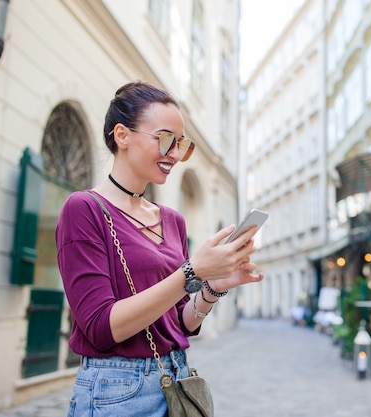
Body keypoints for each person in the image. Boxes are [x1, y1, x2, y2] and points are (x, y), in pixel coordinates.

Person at [56, 81, 264, 416]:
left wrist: (212, 287)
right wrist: (192, 272)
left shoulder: (172, 221)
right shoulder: (84, 209)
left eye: (181, 144)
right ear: (122, 135)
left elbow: (179, 324)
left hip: (176, 380)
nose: (175, 154)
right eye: (166, 139)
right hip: (116, 389)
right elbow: (100, 326)